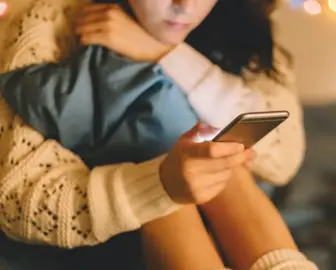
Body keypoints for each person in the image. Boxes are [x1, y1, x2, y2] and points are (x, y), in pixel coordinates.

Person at [0, 0, 314, 269]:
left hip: (231, 216)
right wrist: (159, 183)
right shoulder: (48, 19)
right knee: (175, 154)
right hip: (113, 235)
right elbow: (15, 201)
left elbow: (283, 159)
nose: (185, 6)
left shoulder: (242, 17)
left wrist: (164, 53)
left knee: (223, 156)